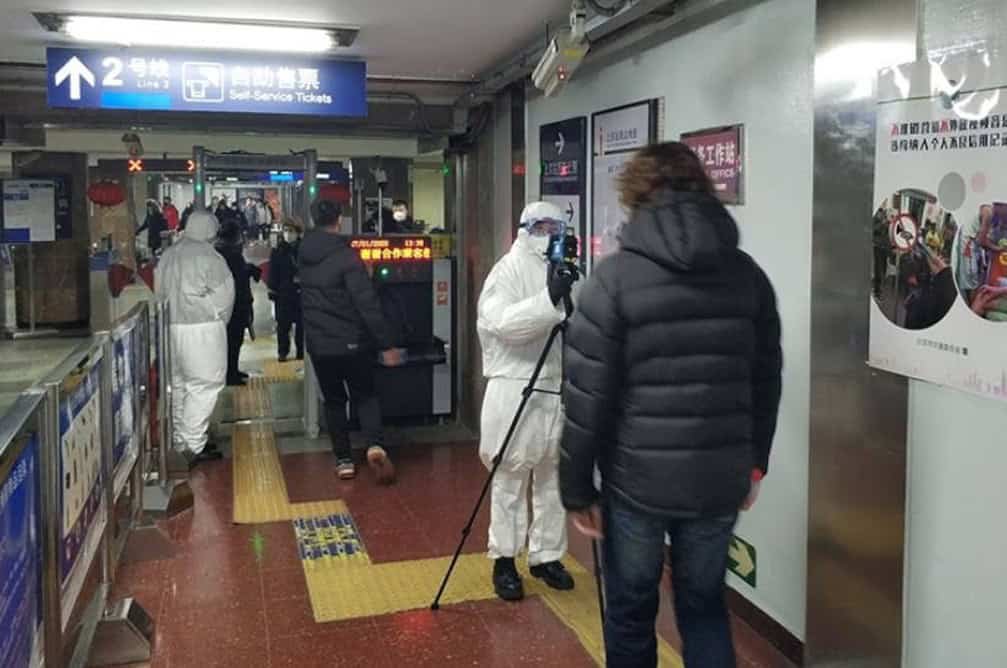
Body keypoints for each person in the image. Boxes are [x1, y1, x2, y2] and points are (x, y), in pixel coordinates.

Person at [559, 142, 783, 668]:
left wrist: (576, 489)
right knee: (705, 609)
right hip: (718, 480)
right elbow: (765, 382)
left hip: (635, 484)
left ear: (635, 194)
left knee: (631, 610)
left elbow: (587, 399)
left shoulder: (612, 280)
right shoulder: (748, 276)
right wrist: (755, 464)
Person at [476, 201, 577, 602]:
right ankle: (504, 559)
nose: (554, 235)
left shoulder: (559, 269)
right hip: (515, 384)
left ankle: (546, 556)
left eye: (559, 228)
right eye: (547, 227)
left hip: (554, 385)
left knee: (553, 478)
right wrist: (549, 298)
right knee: (510, 477)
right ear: (528, 228)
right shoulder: (507, 270)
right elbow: (504, 325)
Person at [300, 198, 400, 483]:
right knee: (365, 395)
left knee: (333, 401)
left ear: (314, 220)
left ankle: (344, 460)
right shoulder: (347, 257)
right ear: (339, 220)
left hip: (320, 344)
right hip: (352, 342)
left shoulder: (304, 254)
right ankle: (374, 445)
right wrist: (386, 345)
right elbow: (367, 305)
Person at [155, 210, 235, 468]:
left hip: (170, 327)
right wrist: (218, 320)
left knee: (178, 385)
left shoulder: (169, 255)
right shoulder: (211, 257)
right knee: (204, 385)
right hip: (203, 330)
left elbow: (158, 292)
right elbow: (224, 299)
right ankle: (193, 445)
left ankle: (179, 442)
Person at [215, 219, 260, 386]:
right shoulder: (230, 254)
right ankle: (230, 374)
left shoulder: (223, 252)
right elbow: (236, 276)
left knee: (233, 341)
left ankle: (233, 370)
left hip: (233, 303)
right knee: (233, 340)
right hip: (235, 304)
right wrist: (249, 270)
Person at [267, 220, 304, 361]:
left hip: (301, 293)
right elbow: (272, 272)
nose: (288, 234)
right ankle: (283, 352)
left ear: (298, 233)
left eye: (291, 231)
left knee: (302, 326)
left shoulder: (304, 250)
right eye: (286, 231)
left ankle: (301, 351)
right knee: (283, 325)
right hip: (283, 293)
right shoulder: (278, 251)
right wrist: (272, 290)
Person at [872, 206, 892, 299]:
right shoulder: (875, 219)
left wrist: (890, 248)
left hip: (884, 248)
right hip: (878, 247)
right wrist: (882, 224)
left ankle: (879, 289)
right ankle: (877, 291)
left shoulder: (885, 220)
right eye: (881, 213)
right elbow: (873, 230)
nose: (882, 215)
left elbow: (887, 236)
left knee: (883, 270)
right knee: (878, 270)